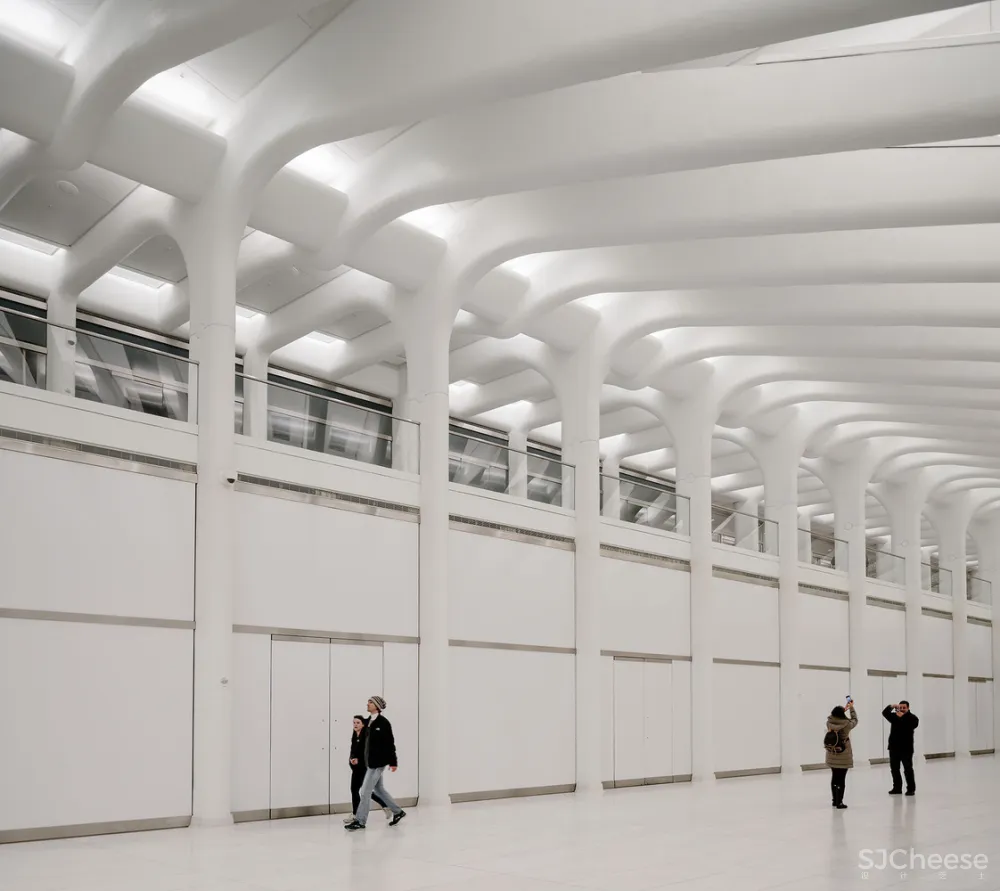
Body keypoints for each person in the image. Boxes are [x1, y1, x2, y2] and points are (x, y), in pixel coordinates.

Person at [344, 696, 406, 830]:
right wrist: (355, 755)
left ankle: (360, 821)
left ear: (377, 706)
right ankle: (398, 812)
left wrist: (393, 762)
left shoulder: (383, 723)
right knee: (379, 789)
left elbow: (390, 743)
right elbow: (358, 739)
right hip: (368, 762)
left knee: (365, 792)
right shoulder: (366, 722)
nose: (368, 704)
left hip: (378, 763)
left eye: (370, 702)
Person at [345, 715, 390, 823]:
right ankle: (356, 814)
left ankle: (385, 805)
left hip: (365, 767)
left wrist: (359, 760)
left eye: (358, 723)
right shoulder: (354, 735)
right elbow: (353, 750)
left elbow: (367, 753)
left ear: (363, 724)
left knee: (365, 791)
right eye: (354, 723)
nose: (355, 725)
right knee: (355, 790)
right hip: (356, 768)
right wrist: (352, 759)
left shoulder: (366, 736)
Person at [825, 700, 858, 809]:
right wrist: (851, 708)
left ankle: (834, 800)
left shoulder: (829, 722)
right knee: (841, 779)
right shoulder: (847, 724)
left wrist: (842, 710)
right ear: (842, 714)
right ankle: (840, 802)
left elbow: (832, 716)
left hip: (832, 753)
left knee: (834, 777)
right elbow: (855, 720)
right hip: (843, 754)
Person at [883, 701, 919, 796]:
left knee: (908, 769)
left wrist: (902, 717)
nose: (902, 709)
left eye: (904, 707)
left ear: (908, 708)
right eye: (900, 707)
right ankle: (897, 787)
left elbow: (912, 725)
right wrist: (891, 706)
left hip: (906, 748)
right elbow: (885, 713)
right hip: (894, 748)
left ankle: (911, 789)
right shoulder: (894, 716)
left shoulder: (912, 718)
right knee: (894, 769)